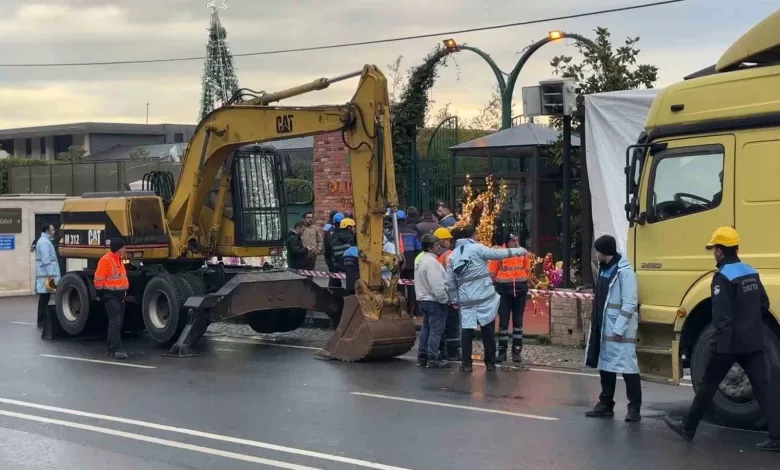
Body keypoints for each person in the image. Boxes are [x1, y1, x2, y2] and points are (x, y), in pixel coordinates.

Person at [665, 227, 780, 452]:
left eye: (714, 249)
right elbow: (764, 304)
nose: (713, 253)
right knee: (763, 388)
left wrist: (720, 347)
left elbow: (721, 317)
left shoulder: (722, 277)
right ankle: (776, 436)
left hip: (729, 344)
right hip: (753, 340)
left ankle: (688, 428)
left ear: (720, 250)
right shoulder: (751, 272)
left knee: (708, 386)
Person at [445, 225, 525, 371]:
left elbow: (450, 281)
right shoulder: (479, 248)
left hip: (466, 298)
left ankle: (466, 363)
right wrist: (520, 250)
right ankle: (490, 363)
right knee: (487, 329)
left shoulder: (453, 255)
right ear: (474, 235)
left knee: (467, 329)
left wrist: (455, 300)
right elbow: (498, 254)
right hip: (484, 297)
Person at [584, 235, 642, 422]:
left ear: (605, 252)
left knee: (628, 369)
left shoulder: (624, 273)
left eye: (598, 251)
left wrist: (619, 329)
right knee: (606, 367)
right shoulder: (604, 269)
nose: (597, 254)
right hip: (604, 328)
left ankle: (634, 408)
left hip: (619, 332)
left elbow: (629, 303)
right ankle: (606, 404)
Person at [493, 233, 532, 363]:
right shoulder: (499, 253)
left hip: (519, 291)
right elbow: (492, 273)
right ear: (507, 242)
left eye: (517, 240)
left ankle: (516, 351)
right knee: (503, 323)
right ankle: (502, 351)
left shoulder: (523, 253)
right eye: (513, 241)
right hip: (504, 291)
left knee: (518, 323)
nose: (516, 243)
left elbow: (527, 270)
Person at [415, 233, 451, 369]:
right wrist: (445, 299)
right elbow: (437, 285)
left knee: (426, 328)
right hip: (434, 301)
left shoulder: (421, 260)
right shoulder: (432, 263)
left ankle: (422, 356)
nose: (439, 247)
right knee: (436, 330)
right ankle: (433, 357)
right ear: (430, 248)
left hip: (423, 299)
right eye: (436, 245)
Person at [94, 238, 129, 360]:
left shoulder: (118, 259)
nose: (125, 249)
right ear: (118, 249)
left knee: (117, 322)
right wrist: (100, 294)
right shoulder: (106, 260)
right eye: (123, 248)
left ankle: (111, 348)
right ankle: (116, 349)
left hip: (119, 296)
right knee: (116, 322)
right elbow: (99, 280)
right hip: (111, 295)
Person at [435, 227, 460, 361]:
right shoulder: (449, 254)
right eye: (448, 240)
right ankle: (453, 352)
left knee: (440, 325)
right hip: (450, 294)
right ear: (444, 241)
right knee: (452, 324)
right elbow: (454, 274)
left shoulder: (430, 256)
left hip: (436, 294)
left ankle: (441, 350)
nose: (450, 242)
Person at [34, 223, 61, 328]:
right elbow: (46, 260)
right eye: (52, 230)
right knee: (44, 298)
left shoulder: (45, 241)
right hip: (47, 277)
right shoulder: (44, 242)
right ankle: (41, 320)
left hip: (46, 276)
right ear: (47, 231)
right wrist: (51, 275)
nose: (54, 231)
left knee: (45, 298)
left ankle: (42, 320)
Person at [325, 217, 355, 289]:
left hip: (337, 266)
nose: (354, 229)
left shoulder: (332, 237)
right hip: (351, 267)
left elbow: (327, 254)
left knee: (336, 286)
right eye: (353, 227)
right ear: (349, 227)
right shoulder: (353, 237)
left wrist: (332, 266)